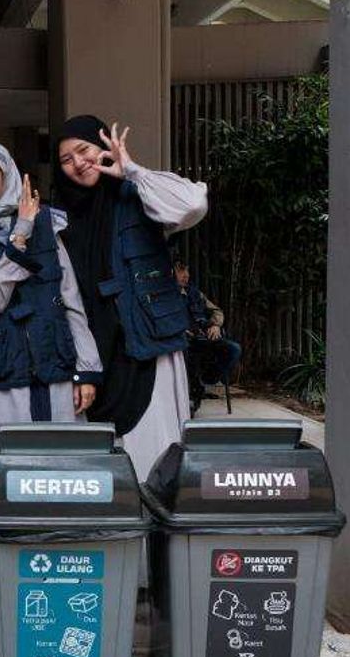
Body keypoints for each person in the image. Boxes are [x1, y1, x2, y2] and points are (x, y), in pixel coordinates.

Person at [0, 140, 102, 492]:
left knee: (64, 481)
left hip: (54, 374)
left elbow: (70, 299)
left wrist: (87, 370)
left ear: (7, 175)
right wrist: (20, 234)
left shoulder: (48, 224)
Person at [54, 116, 208, 478]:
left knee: (156, 461)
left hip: (146, 347)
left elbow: (193, 204)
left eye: (84, 150)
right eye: (65, 159)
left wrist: (133, 171)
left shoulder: (139, 197)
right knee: (98, 473)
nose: (78, 163)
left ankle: (155, 532)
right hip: (89, 355)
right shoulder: (57, 217)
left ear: (103, 147)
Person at [174, 259, 241, 406]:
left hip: (204, 337)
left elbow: (216, 311)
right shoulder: (166, 296)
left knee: (234, 349)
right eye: (181, 271)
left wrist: (216, 325)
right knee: (189, 356)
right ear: (171, 272)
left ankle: (206, 380)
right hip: (182, 342)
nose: (186, 275)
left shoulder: (195, 293)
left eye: (187, 271)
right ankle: (193, 397)